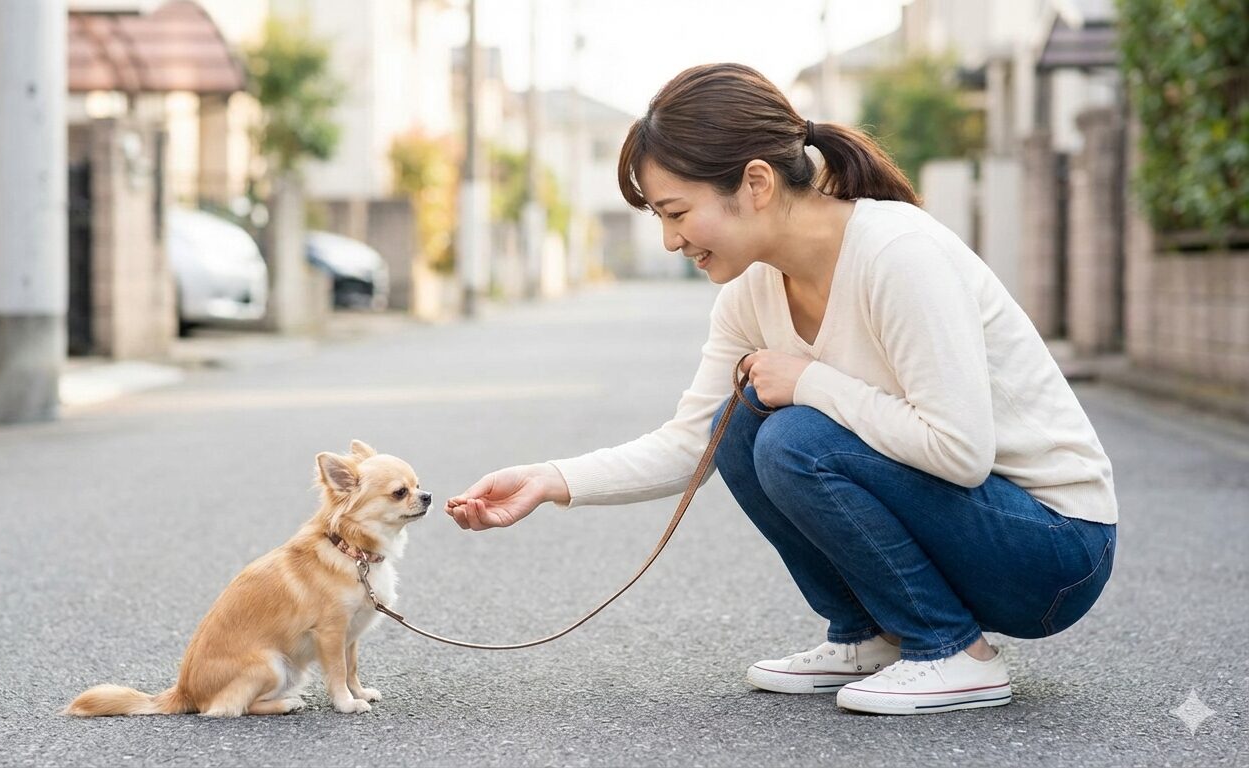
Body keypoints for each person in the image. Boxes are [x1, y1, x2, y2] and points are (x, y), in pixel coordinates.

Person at [445, 63, 1117, 716]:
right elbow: (692, 444)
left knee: (796, 435)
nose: (670, 239)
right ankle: (871, 636)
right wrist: (548, 480)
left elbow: (962, 452)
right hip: (976, 530)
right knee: (742, 424)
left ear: (757, 182)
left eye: (676, 211)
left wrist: (812, 382)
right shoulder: (751, 292)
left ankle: (953, 652)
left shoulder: (897, 256)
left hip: (1053, 552)